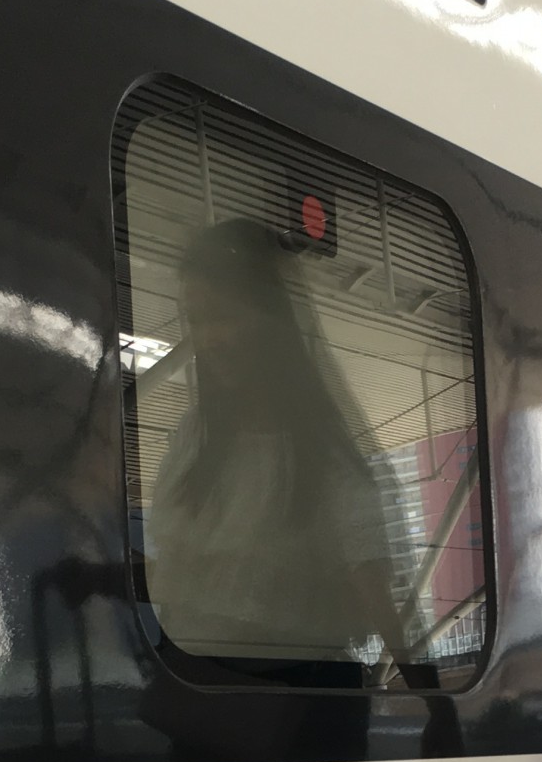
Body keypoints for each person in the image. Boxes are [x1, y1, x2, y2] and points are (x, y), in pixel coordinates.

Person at [141, 217, 420, 682]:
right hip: (200, 686)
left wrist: (429, 694)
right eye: (198, 319)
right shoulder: (195, 436)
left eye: (224, 315)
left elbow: (369, 579)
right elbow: (173, 572)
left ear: (270, 320)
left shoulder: (317, 452)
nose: (209, 338)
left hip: (291, 696)